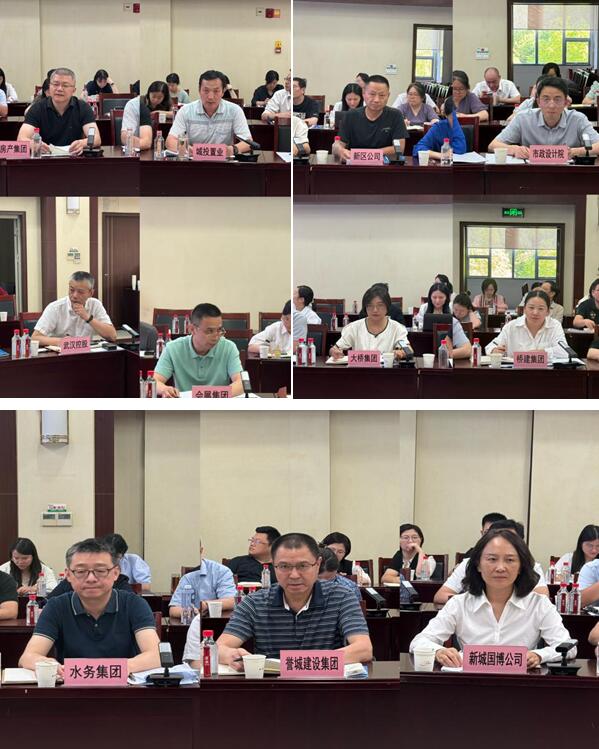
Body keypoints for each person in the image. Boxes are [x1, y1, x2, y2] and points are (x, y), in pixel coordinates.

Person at [410, 529, 576, 668]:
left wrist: (539, 655)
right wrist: (439, 651)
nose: (500, 567)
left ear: (520, 567)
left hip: (520, 687)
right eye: (492, 559)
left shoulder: (539, 604)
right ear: (478, 564)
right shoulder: (459, 604)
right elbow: (419, 642)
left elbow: (568, 647)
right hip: (471, 685)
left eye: (510, 560)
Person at [211, 533, 373, 669]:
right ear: (273, 566)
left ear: (317, 565)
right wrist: (230, 655)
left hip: (326, 686)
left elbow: (363, 649)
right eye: (284, 566)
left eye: (303, 566)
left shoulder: (342, 596)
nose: (294, 575)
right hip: (273, 689)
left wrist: (294, 665)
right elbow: (218, 648)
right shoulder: (254, 602)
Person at [18, 538, 160, 676]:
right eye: (81, 571)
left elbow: (156, 655)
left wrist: (116, 669)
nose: (91, 578)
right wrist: (48, 664)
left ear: (116, 573)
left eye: (101, 570)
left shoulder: (134, 604)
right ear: (68, 575)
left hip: (124, 687)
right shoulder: (56, 606)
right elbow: (28, 657)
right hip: (72, 687)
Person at [433, 519, 549, 604]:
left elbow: (542, 598)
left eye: (510, 538)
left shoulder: (530, 566)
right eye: (492, 559)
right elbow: (440, 595)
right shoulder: (470, 563)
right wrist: (472, 602)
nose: (500, 568)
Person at [489, 76, 599, 159]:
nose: (551, 105)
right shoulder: (523, 119)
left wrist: (575, 152)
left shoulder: (578, 119)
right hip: (532, 175)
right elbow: (493, 145)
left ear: (566, 102)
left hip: (567, 175)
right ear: (538, 102)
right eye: (546, 99)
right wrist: (513, 149)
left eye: (557, 99)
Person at [154, 303, 244, 398]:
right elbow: (155, 381)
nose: (216, 336)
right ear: (192, 329)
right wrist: (165, 389)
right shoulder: (173, 348)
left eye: (219, 330)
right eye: (209, 331)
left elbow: (241, 383)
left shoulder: (228, 347)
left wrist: (209, 394)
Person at [166, 70, 252, 156]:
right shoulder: (186, 111)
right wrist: (186, 149)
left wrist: (232, 149)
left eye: (216, 91)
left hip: (224, 161)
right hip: (194, 160)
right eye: (206, 91)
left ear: (223, 91)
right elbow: (170, 141)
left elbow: (248, 142)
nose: (210, 97)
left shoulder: (235, 110)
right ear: (199, 90)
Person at [17, 67, 100, 155]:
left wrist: (82, 143)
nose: (59, 89)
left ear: (73, 90)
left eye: (65, 85)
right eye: (56, 84)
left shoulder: (83, 107)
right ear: (49, 87)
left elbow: (96, 138)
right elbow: (21, 138)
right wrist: (33, 144)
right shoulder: (37, 108)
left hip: (74, 158)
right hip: (44, 159)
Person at [32, 271, 116, 347]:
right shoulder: (55, 307)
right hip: (59, 354)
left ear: (91, 293)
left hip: (85, 354)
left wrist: (88, 317)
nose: (75, 295)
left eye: (80, 292)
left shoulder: (95, 305)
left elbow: (112, 336)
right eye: (72, 290)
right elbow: (35, 338)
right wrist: (61, 341)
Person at [334, 74, 407, 160]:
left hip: (385, 165)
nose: (376, 100)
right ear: (363, 94)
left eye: (382, 95)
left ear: (388, 95)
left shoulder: (395, 115)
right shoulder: (350, 116)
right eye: (372, 94)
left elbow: (399, 149)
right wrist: (339, 149)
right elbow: (338, 145)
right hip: (355, 165)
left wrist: (367, 155)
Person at [329, 285, 412, 360]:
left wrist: (402, 353)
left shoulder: (397, 328)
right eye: (370, 305)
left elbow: (408, 349)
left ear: (387, 307)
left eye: (380, 305)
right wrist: (334, 352)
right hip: (360, 371)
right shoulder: (354, 327)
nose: (375, 310)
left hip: (386, 371)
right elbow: (335, 348)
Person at [485, 289, 568, 359]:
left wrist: (541, 353)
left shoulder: (554, 326)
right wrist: (494, 350)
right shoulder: (511, 326)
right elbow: (490, 347)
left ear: (548, 312)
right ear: (524, 309)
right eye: (531, 307)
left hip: (546, 372)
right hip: (517, 372)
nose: (535, 312)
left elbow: (564, 351)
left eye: (541, 309)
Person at [169, 540, 236, 618]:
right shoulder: (187, 577)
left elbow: (231, 601)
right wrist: (190, 612)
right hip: (194, 622)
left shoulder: (221, 571)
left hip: (221, 622)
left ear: (201, 550)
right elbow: (173, 610)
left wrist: (206, 605)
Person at [414, 283, 472, 360]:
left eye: (441, 297)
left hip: (444, 362)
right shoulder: (420, 319)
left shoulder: (453, 322)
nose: (437, 300)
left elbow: (468, 350)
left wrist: (445, 354)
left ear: (446, 298)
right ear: (430, 298)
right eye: (434, 297)